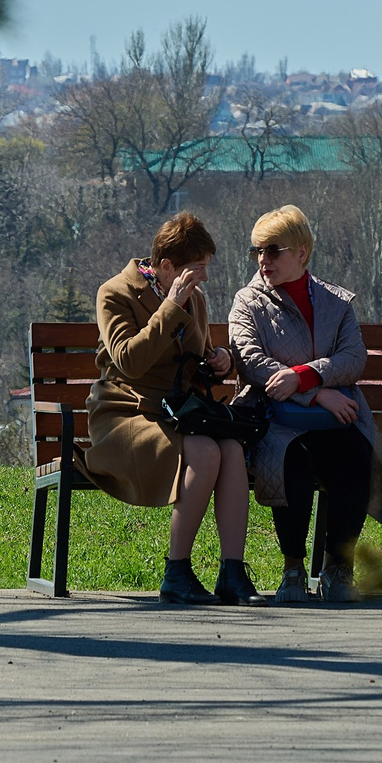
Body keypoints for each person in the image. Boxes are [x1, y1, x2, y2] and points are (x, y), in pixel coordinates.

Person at [229, 205, 382, 604]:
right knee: (290, 461)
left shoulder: (337, 302)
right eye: (257, 251)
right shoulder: (247, 301)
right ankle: (292, 569)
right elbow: (250, 360)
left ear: (301, 252)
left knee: (356, 458)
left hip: (336, 420)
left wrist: (306, 376)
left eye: (273, 250)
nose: (264, 260)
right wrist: (315, 392)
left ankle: (337, 568)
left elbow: (354, 359)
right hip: (274, 419)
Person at [85, 211, 264, 606]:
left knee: (231, 450)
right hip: (125, 415)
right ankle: (176, 571)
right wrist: (171, 305)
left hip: (175, 412)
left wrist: (220, 360)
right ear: (165, 266)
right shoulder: (115, 293)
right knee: (203, 450)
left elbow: (198, 359)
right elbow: (129, 361)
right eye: (194, 269)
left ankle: (232, 572)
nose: (201, 278)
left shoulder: (193, 298)